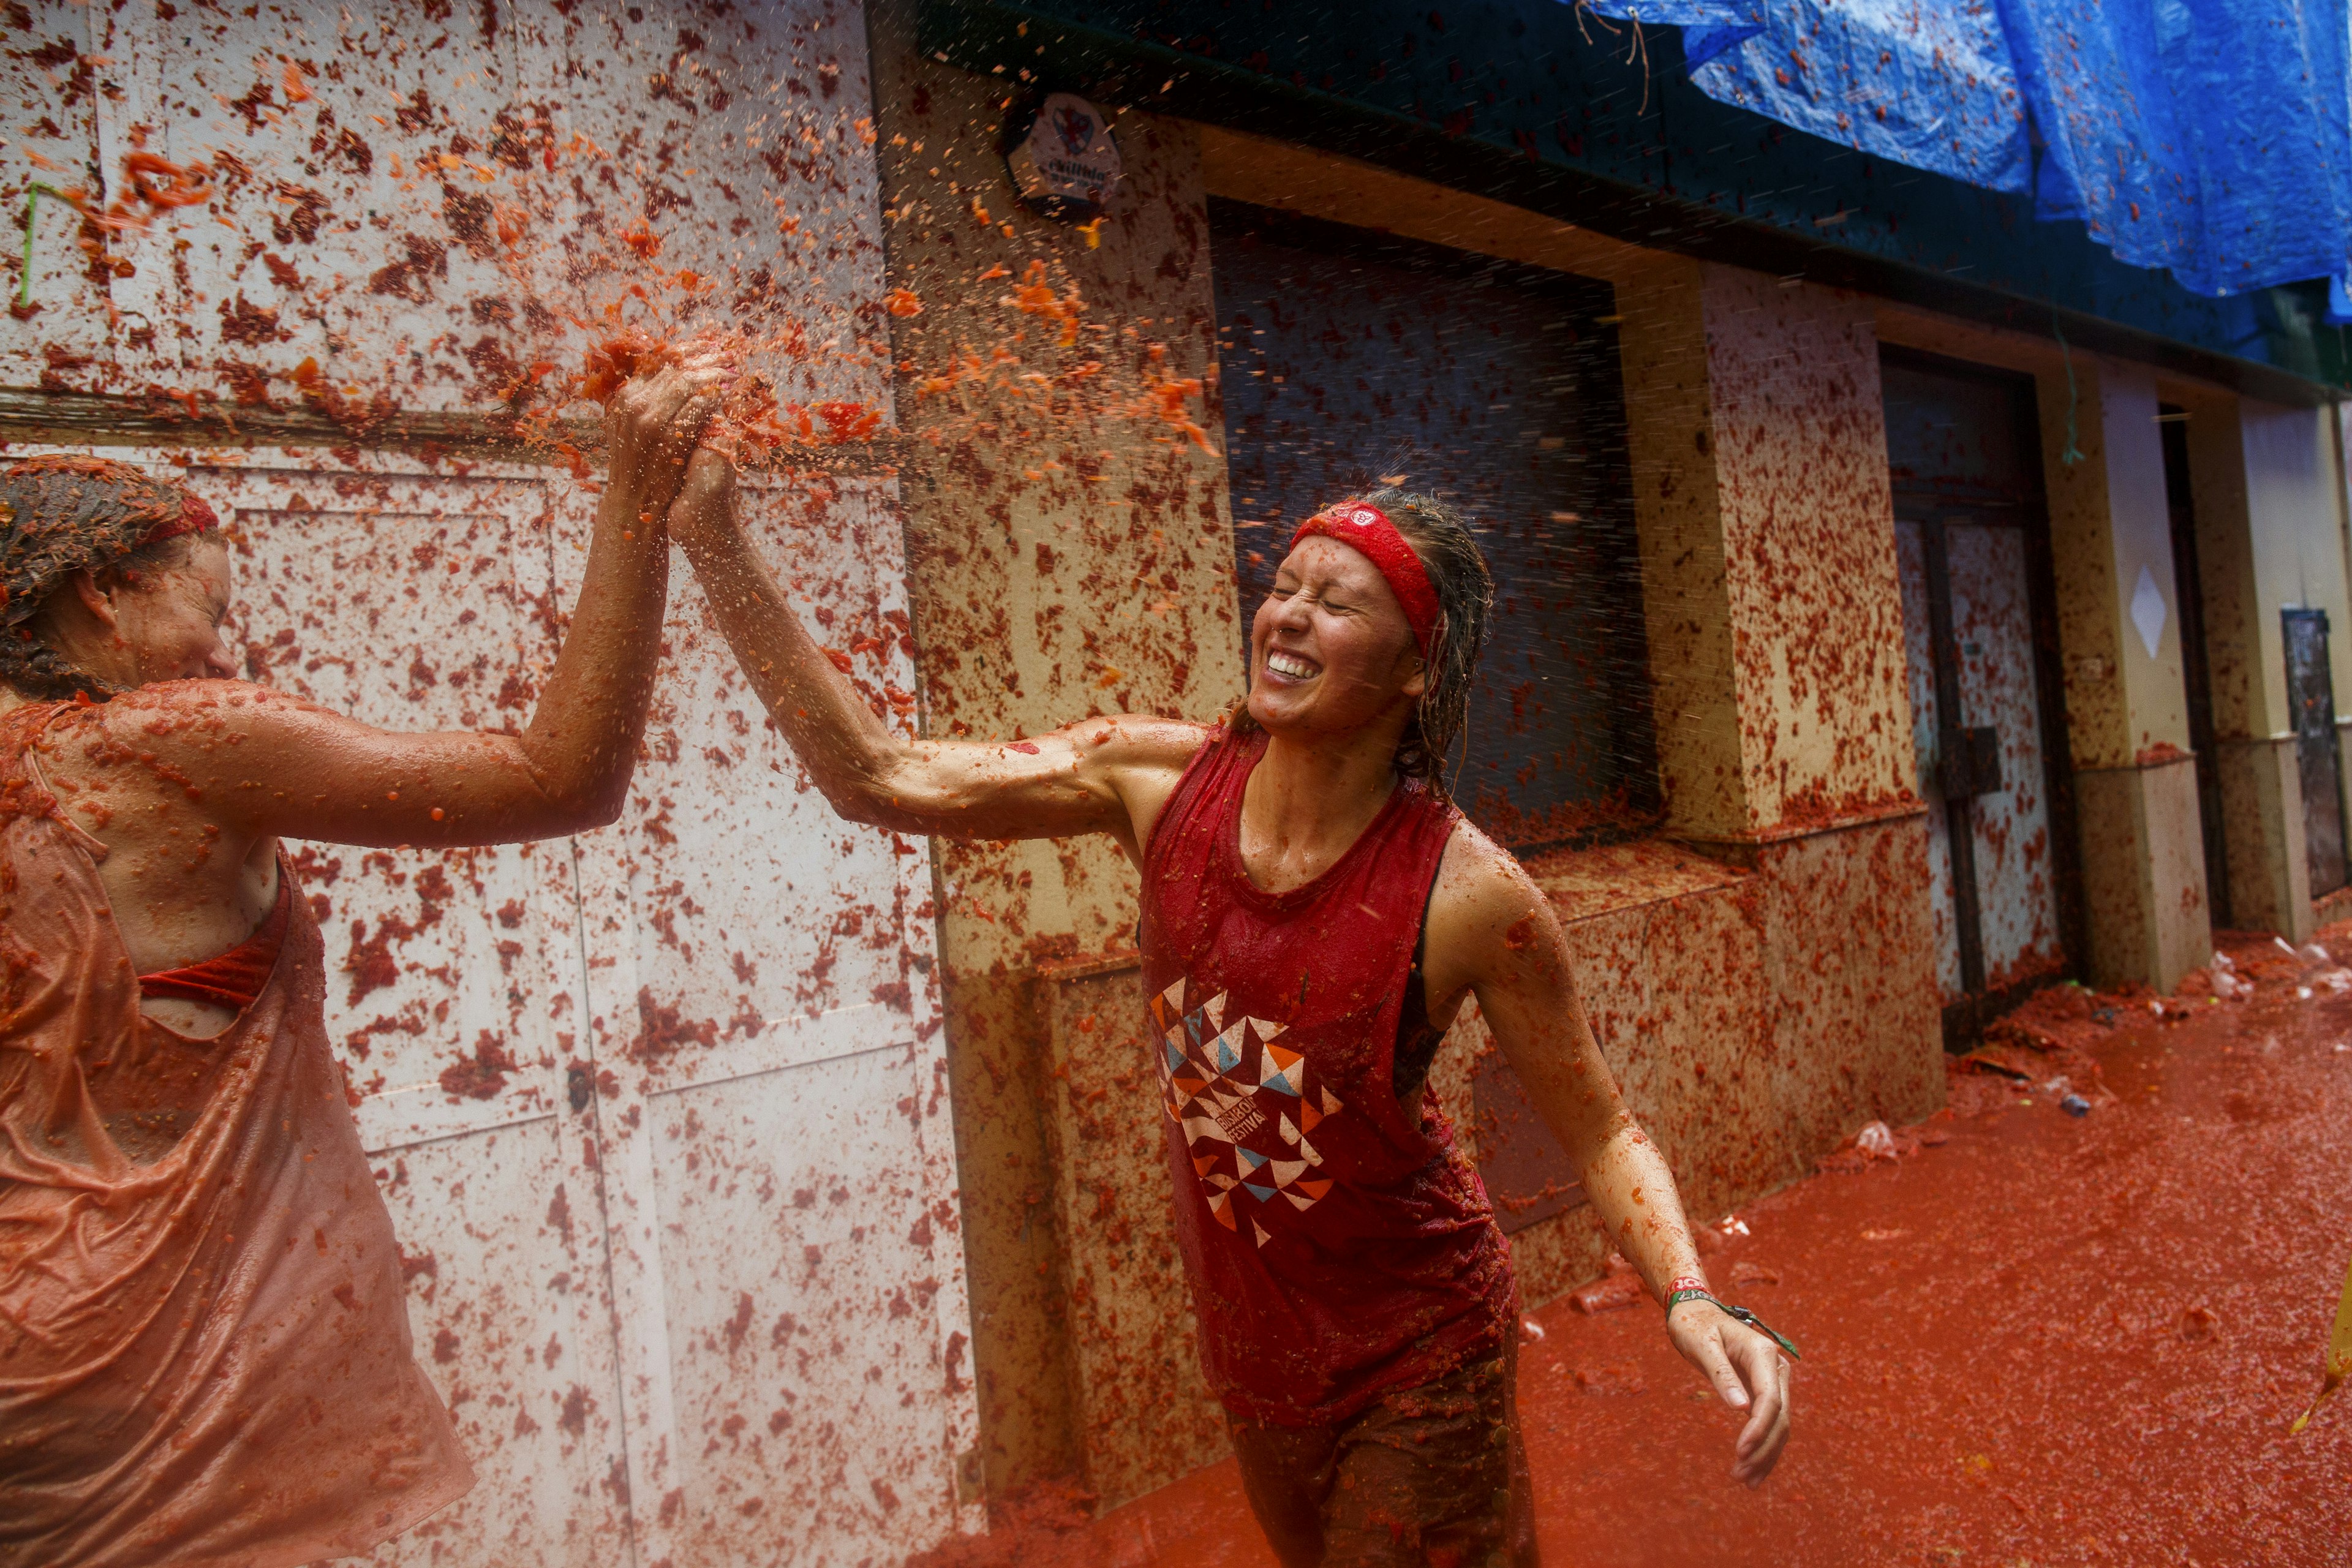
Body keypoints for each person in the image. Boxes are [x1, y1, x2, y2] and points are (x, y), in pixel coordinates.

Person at [665, 451, 1793, 1567]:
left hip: (1419, 1342)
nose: (1289, 618)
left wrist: (1690, 1295)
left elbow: (1601, 1129)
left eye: (1337, 603)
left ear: (1416, 669)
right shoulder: (1149, 780)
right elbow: (882, 778)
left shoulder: (1471, 894)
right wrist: (714, 542)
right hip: (1252, 1349)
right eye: (1285, 588)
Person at [0, 364, 717, 1568]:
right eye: (210, 614)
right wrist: (640, 495)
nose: (226, 659)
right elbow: (562, 777)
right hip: (145, 1353)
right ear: (104, 594)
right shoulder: (169, 744)